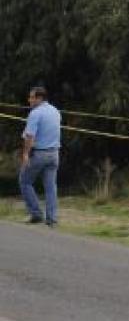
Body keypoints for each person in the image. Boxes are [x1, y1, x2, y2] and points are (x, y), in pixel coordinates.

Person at [19, 86, 61, 227]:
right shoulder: (55, 111)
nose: (29, 100)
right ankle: (52, 219)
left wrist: (25, 154)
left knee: (25, 181)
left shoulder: (35, 113)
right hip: (54, 153)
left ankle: (36, 214)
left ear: (39, 98)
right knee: (50, 187)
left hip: (40, 153)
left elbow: (30, 135)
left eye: (31, 97)